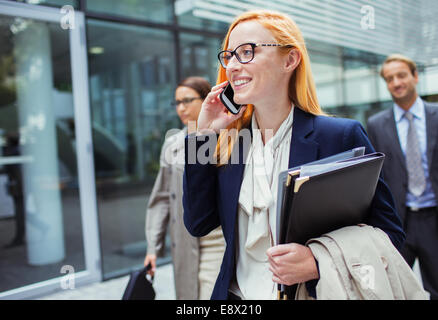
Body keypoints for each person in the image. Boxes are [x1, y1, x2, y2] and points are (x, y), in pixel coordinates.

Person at [183, 10, 405, 300]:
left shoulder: (339, 136)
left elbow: (390, 236)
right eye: (229, 55)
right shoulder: (231, 144)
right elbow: (198, 224)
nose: (233, 66)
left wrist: (316, 260)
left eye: (247, 52)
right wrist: (201, 136)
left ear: (290, 60)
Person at [144, 76, 225, 300]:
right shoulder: (173, 144)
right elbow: (161, 198)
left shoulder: (227, 136)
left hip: (219, 242)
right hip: (185, 242)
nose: (181, 108)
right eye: (177, 102)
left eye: (187, 100)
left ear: (207, 98)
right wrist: (153, 247)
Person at [367, 54, 438, 300]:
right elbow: (374, 175)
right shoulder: (376, 124)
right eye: (389, 79)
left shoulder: (436, 115)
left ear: (415, 77)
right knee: (395, 289)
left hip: (433, 218)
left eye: (401, 75)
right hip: (397, 222)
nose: (396, 83)